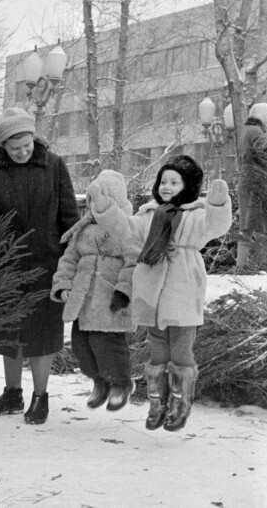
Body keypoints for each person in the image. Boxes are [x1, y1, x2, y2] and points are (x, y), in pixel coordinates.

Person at [88, 154, 232, 432]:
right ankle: (159, 403)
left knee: (180, 349)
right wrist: (104, 207)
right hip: (151, 292)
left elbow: (216, 226)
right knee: (157, 352)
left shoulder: (196, 215)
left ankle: (180, 405)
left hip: (182, 289)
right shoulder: (148, 215)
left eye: (174, 182)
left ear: (188, 186)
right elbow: (125, 231)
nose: (166, 186)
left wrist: (217, 204)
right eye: (163, 181)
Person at [0, 107, 80, 425]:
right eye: (15, 148)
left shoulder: (54, 165)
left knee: (43, 333)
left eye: (26, 145)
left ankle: (41, 398)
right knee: (8, 330)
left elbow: (69, 216)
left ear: (33, 138)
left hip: (46, 262)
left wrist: (72, 262)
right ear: (3, 147)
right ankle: (12, 394)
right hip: (2, 263)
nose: (22, 152)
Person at [50, 170, 138, 412]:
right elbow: (69, 260)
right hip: (84, 300)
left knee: (107, 344)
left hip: (110, 300)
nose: (94, 204)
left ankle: (120, 383)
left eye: (101, 197)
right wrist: (64, 285)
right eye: (92, 198)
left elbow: (134, 261)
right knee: (82, 347)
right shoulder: (83, 229)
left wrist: (124, 290)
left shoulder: (126, 227)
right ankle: (100, 380)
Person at [235, 102, 267, 266]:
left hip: (250, 179)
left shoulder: (247, 131)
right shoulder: (255, 130)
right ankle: (250, 266)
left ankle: (243, 265)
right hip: (255, 180)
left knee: (249, 224)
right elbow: (265, 147)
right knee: (255, 225)